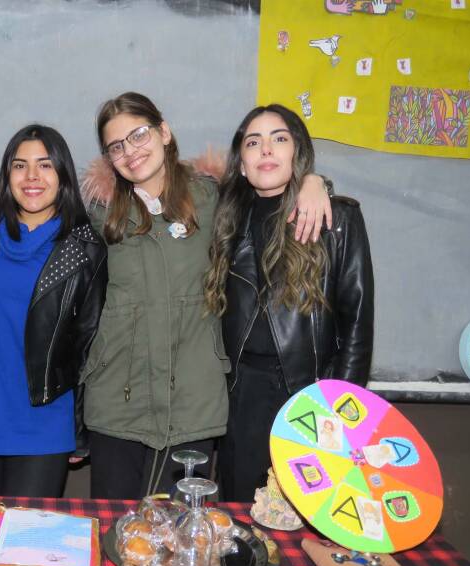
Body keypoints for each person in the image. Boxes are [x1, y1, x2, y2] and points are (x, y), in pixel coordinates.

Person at [80, 92, 334, 499]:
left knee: (180, 529)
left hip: (193, 403)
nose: (130, 151)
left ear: (164, 132)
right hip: (117, 402)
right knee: (116, 526)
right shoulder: (100, 213)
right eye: (116, 146)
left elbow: (269, 184)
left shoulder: (214, 198)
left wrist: (313, 181)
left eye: (139, 135)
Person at [205, 104, 374, 502]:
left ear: (297, 151)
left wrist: (339, 411)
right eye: (253, 142)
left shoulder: (337, 219)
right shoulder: (224, 219)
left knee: (306, 513)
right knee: (242, 515)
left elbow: (357, 325)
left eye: (279, 139)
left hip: (311, 396)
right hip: (240, 398)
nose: (266, 150)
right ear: (242, 164)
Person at [0, 125, 107, 498]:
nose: (32, 176)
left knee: (27, 530)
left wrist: (80, 427)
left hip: (45, 421)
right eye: (20, 165)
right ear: (7, 176)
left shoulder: (86, 248)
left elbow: (89, 345)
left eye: (45, 165)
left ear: (63, 175)